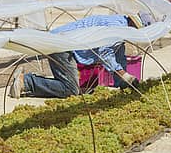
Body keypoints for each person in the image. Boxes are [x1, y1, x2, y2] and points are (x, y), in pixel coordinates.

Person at [9, 12, 154, 99]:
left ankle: (30, 81)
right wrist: (124, 75)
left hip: (66, 44)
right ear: (134, 25)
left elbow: (118, 58)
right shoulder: (117, 28)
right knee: (70, 90)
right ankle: (27, 82)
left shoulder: (121, 28)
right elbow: (105, 53)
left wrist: (126, 83)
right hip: (63, 45)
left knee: (71, 85)